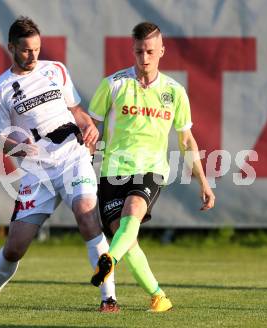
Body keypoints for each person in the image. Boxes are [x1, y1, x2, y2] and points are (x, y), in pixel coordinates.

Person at [0, 16, 118, 312]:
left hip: (72, 156)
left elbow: (76, 110)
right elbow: (1, 141)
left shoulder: (56, 70)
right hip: (37, 170)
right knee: (15, 246)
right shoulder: (0, 90)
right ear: (11, 47)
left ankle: (109, 298)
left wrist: (89, 125)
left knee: (86, 215)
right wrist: (20, 148)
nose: (33, 55)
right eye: (26, 50)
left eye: (37, 49)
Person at [88, 22, 215, 312]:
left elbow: (186, 140)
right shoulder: (113, 85)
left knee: (133, 211)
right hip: (112, 171)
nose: (144, 58)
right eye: (138, 51)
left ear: (162, 51)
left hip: (152, 169)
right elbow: (90, 126)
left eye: (149, 51)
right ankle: (159, 297)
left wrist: (204, 183)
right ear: (132, 50)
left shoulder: (174, 91)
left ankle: (108, 261)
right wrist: (86, 146)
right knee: (126, 236)